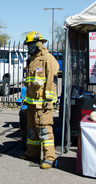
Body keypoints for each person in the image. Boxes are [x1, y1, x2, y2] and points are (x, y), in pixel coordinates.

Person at [20, 31, 59, 169]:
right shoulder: (32, 60)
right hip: (31, 102)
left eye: (31, 44)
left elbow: (52, 80)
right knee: (31, 129)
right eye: (28, 45)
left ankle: (49, 157)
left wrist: (48, 98)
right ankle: (32, 153)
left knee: (44, 129)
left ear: (39, 43)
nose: (29, 47)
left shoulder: (48, 59)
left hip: (43, 103)